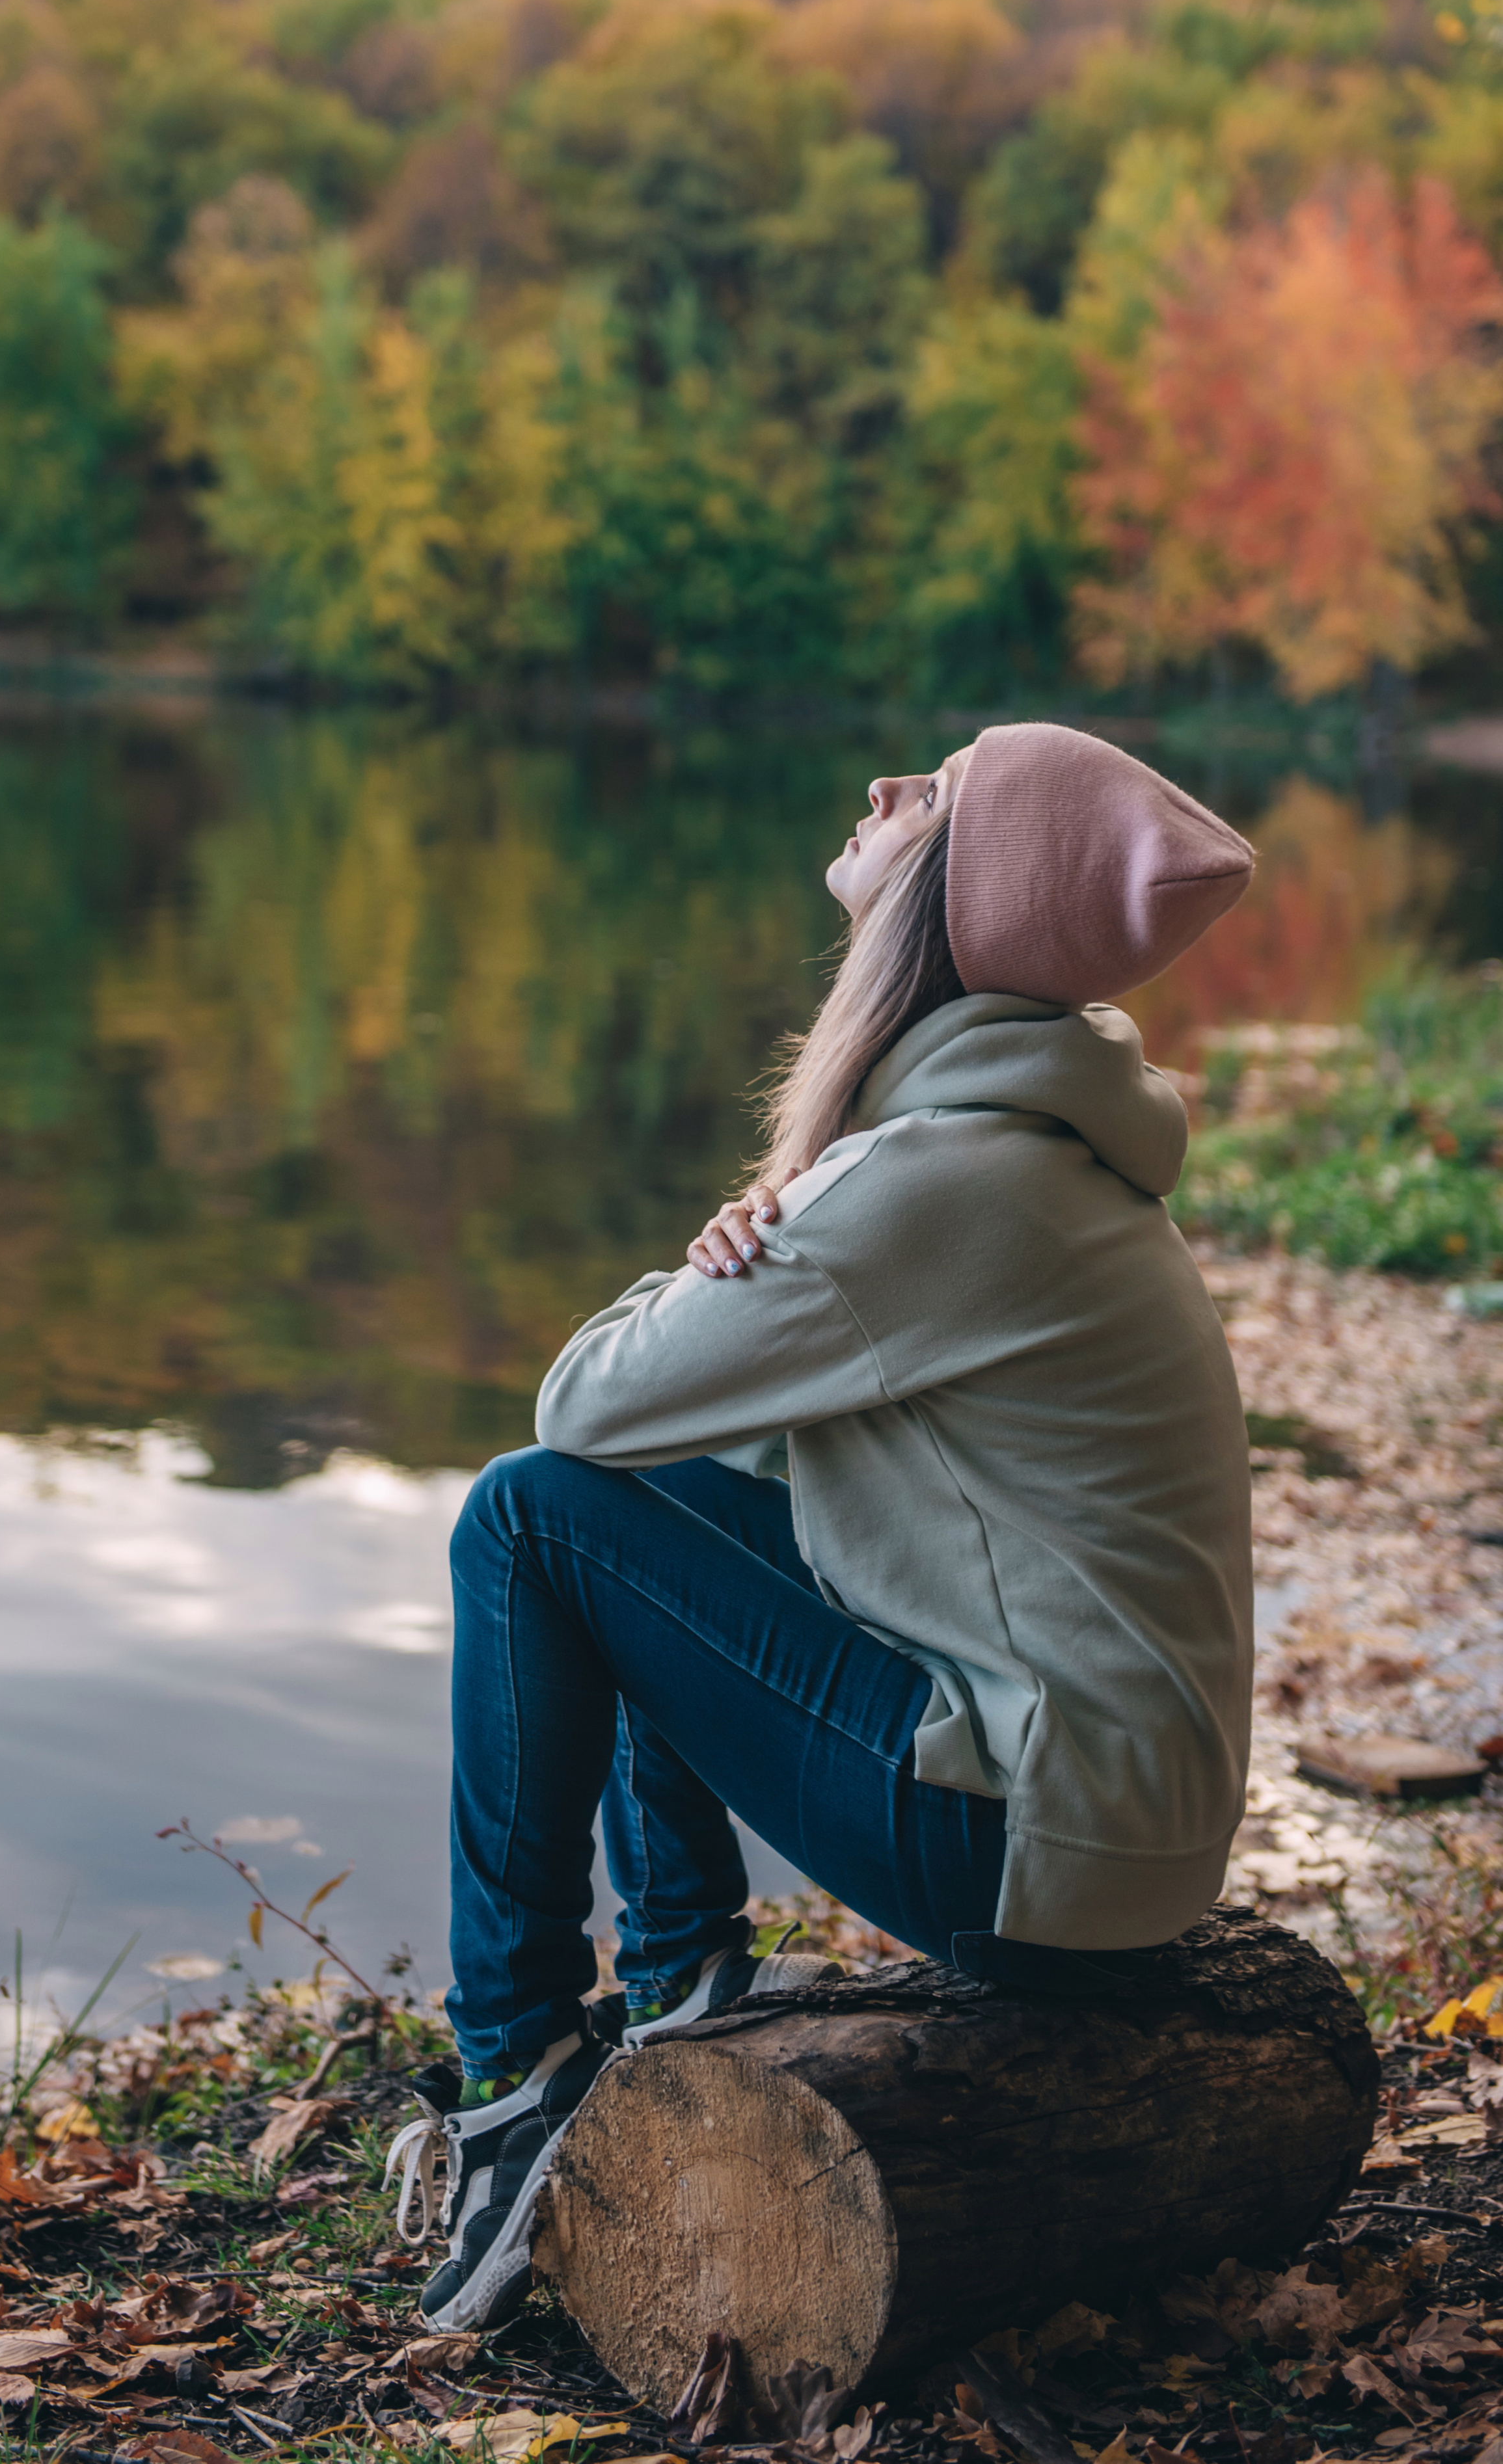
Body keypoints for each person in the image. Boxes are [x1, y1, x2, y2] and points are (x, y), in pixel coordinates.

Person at [385, 721, 1257, 2333]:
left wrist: (700, 1273)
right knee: (650, 1514)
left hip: (1037, 1850)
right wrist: (758, 1269)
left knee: (528, 1521)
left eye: (925, 791)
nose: (878, 791)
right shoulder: (1029, 1156)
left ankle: (512, 2076)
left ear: (956, 894)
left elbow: (581, 1408)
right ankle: (681, 1989)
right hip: (1108, 1826)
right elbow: (737, 1460)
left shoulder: (945, 1179)